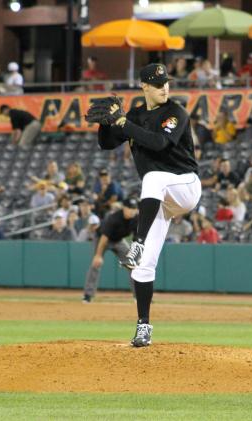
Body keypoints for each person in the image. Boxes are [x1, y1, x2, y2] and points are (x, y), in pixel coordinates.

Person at [86, 63, 201, 347]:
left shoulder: (176, 112)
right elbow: (106, 144)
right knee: (143, 268)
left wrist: (124, 123)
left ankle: (135, 243)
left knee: (152, 178)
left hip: (185, 186)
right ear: (144, 86)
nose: (164, 87)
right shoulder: (136, 114)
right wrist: (107, 122)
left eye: (166, 82)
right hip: (161, 199)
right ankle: (143, 327)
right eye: (158, 83)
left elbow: (160, 143)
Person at [82, 198, 139, 303]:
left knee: (133, 265)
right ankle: (87, 295)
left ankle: (139, 296)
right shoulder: (114, 218)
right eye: (130, 208)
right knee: (96, 264)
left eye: (134, 208)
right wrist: (98, 255)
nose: (132, 210)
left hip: (118, 240)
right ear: (124, 208)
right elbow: (104, 237)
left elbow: (136, 238)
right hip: (102, 239)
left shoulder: (135, 218)